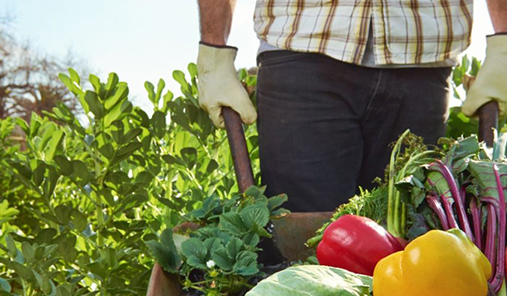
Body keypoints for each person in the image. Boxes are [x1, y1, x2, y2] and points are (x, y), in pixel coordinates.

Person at [196, 0, 507, 212]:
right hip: (302, 49)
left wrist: (504, 41)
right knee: (305, 256)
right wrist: (214, 49)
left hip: (422, 55)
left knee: (412, 243)